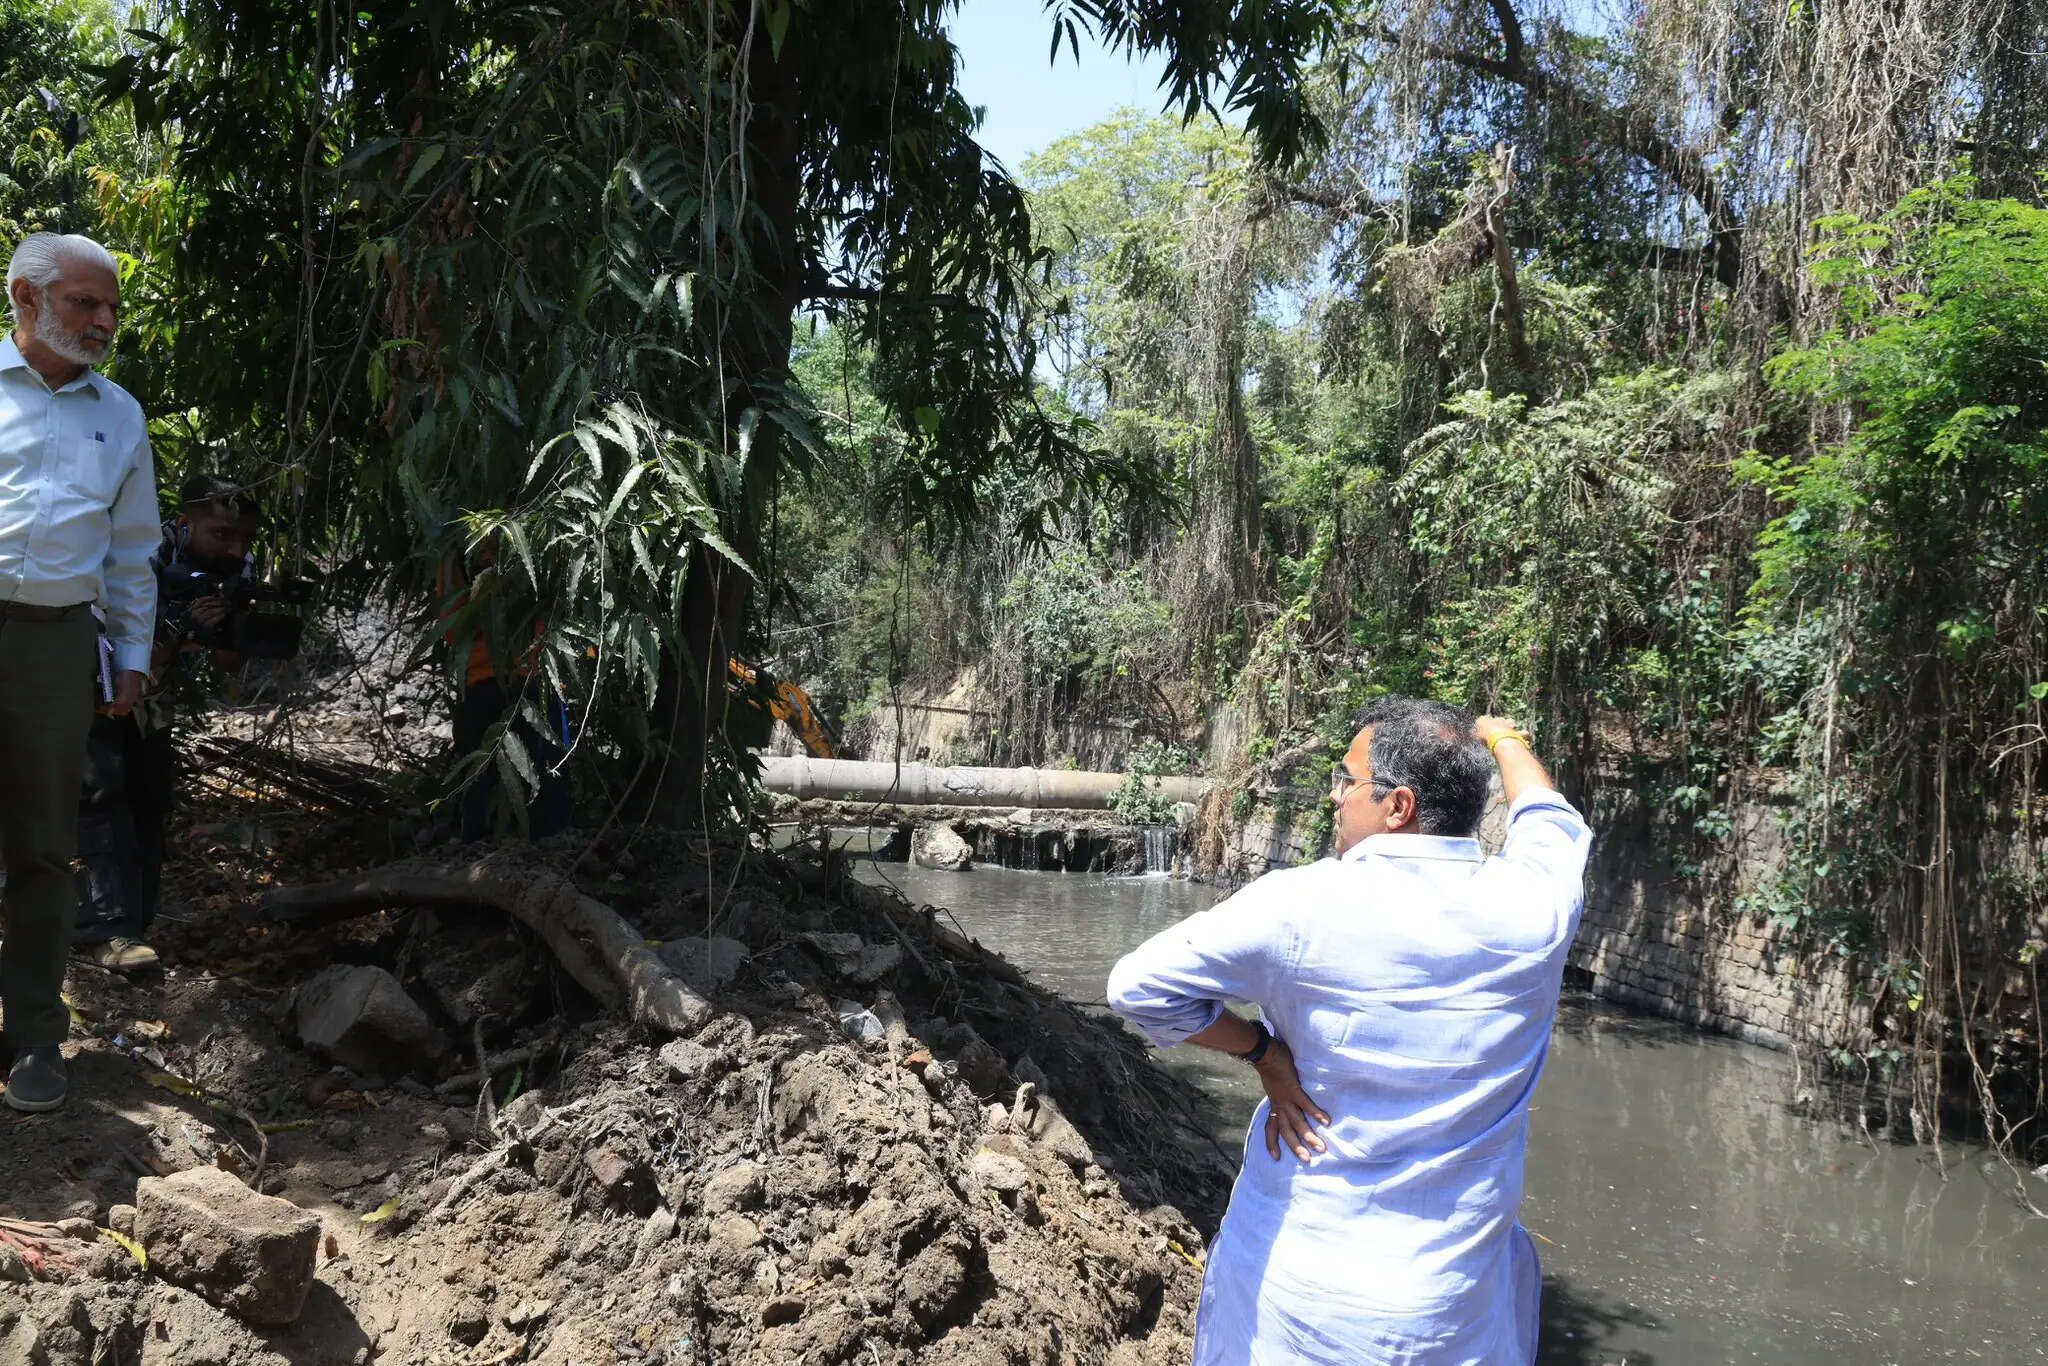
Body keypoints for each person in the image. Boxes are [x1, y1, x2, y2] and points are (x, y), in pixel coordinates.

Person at [1107, 698, 1593, 1364]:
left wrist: (1263, 1053)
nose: (1335, 796)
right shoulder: (1534, 907)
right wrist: (1503, 737)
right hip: (1455, 1307)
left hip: (1301, 1299)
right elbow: (1548, 814)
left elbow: (1139, 988)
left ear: (1399, 806)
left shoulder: (1300, 905)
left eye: (1347, 779)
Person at [0, 232, 159, 1114]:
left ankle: (34, 1035)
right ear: (26, 299)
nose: (103, 321)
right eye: (84, 303)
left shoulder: (120, 415)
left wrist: (130, 657)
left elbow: (132, 551)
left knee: (40, 845)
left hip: (56, 645)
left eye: (111, 308)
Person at [73, 474, 258, 975]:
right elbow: (114, 643)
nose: (235, 548)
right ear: (184, 523)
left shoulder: (237, 569)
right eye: (222, 534)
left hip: (153, 702)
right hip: (98, 690)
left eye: (244, 538)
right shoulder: (139, 554)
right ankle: (105, 929)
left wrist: (229, 623)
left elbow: (231, 661)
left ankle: (136, 927)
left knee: (149, 803)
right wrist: (179, 633)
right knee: (99, 797)